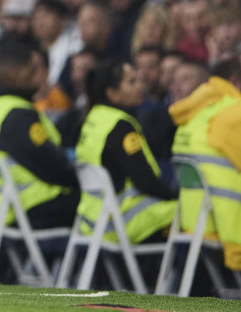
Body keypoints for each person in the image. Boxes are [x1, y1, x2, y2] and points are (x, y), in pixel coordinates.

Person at [0, 39, 79, 230]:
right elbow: (52, 166)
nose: (39, 77)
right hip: (30, 210)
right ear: (14, 74)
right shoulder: (17, 114)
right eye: (33, 70)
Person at [75, 60, 176, 243]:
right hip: (121, 223)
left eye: (138, 80)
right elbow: (145, 181)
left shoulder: (94, 118)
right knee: (192, 211)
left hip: (91, 222)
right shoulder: (120, 125)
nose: (140, 86)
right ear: (112, 93)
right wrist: (175, 196)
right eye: (131, 82)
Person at [169, 56, 241, 272]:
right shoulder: (235, 113)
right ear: (235, 82)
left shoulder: (199, 114)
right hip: (237, 227)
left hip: (200, 222)